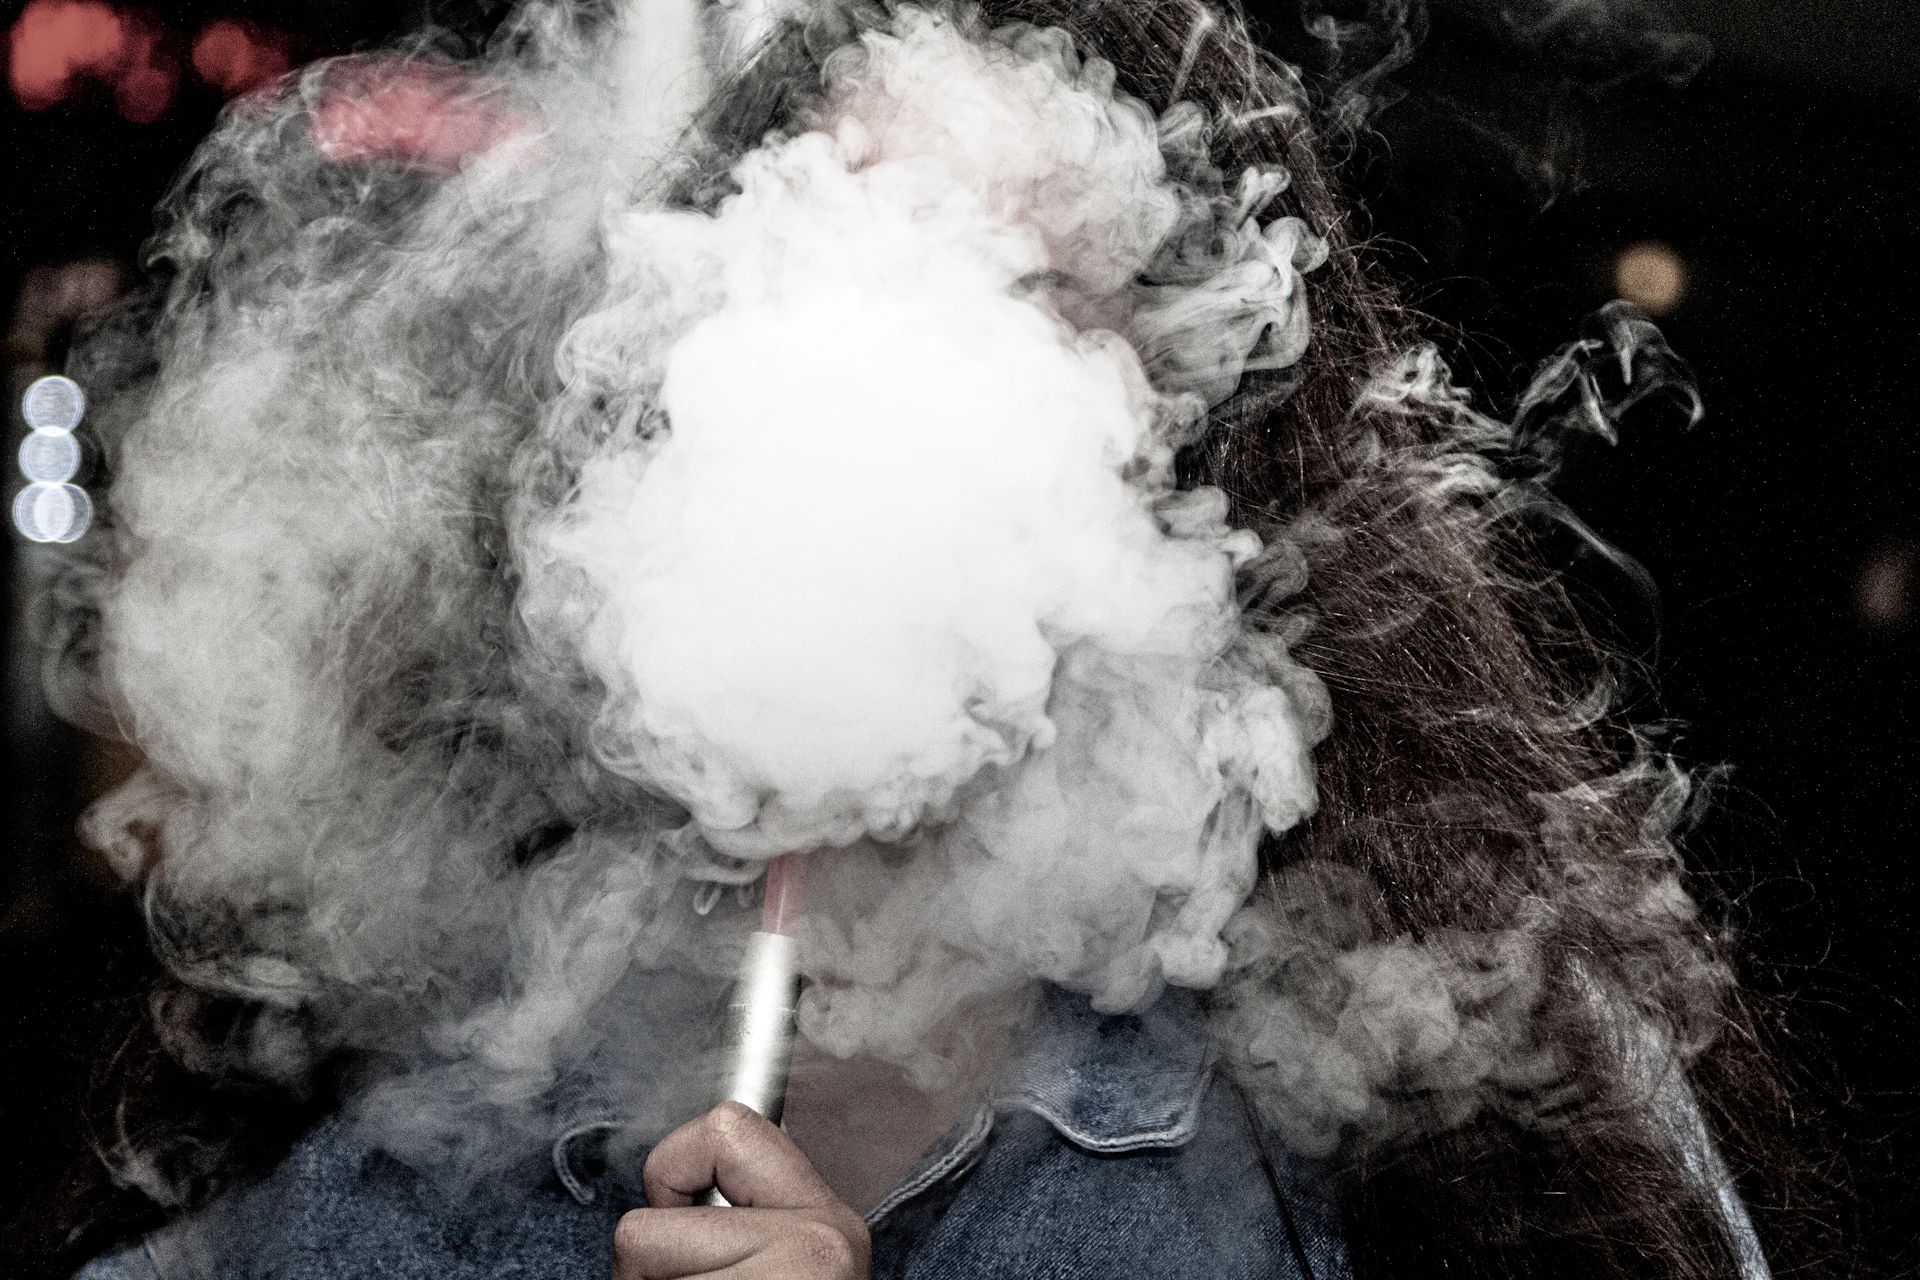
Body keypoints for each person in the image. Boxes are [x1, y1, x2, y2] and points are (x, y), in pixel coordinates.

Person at [53, 0, 1799, 1277]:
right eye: (838, 274)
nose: (887, 398)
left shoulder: (1479, 1111)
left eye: (1015, 300)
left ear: (1197, 440)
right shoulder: (420, 1096)